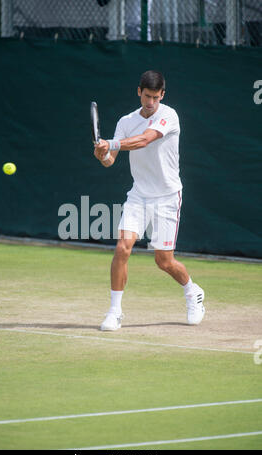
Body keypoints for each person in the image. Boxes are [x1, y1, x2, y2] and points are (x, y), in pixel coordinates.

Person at [94, 70, 205, 331]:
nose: (151, 102)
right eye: (147, 96)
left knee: (163, 260)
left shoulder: (169, 115)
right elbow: (110, 161)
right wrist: (102, 154)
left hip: (167, 196)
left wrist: (111, 144)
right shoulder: (126, 121)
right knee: (122, 248)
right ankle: (115, 311)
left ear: (162, 95)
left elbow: (144, 140)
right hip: (139, 195)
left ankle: (192, 292)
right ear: (139, 92)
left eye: (156, 97)